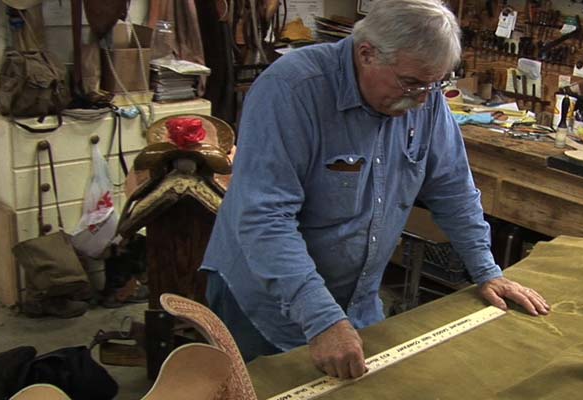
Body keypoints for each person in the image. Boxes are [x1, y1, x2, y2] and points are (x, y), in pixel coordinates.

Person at [200, 0, 550, 380]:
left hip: (356, 301)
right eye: (412, 83)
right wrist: (321, 319)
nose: (422, 98)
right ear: (366, 53)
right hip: (266, 303)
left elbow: (453, 190)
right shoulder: (291, 90)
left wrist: (487, 271)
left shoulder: (424, 99)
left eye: (436, 84)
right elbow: (266, 218)